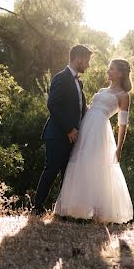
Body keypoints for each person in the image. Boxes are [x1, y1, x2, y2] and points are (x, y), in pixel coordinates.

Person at [54, 58, 134, 223]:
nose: (108, 71)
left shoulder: (123, 96)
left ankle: (98, 211)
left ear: (119, 74)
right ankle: (77, 209)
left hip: (99, 130)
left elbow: (122, 124)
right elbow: (87, 108)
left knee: (97, 166)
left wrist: (119, 147)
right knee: (80, 162)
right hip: (86, 126)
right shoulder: (102, 90)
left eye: (111, 69)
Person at [31, 44, 93, 215]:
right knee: (51, 169)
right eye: (87, 61)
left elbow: (80, 108)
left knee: (68, 173)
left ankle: (63, 210)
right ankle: (37, 207)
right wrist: (69, 129)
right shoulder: (61, 77)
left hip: (71, 137)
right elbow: (52, 105)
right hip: (57, 134)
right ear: (79, 58)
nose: (88, 65)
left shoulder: (78, 82)